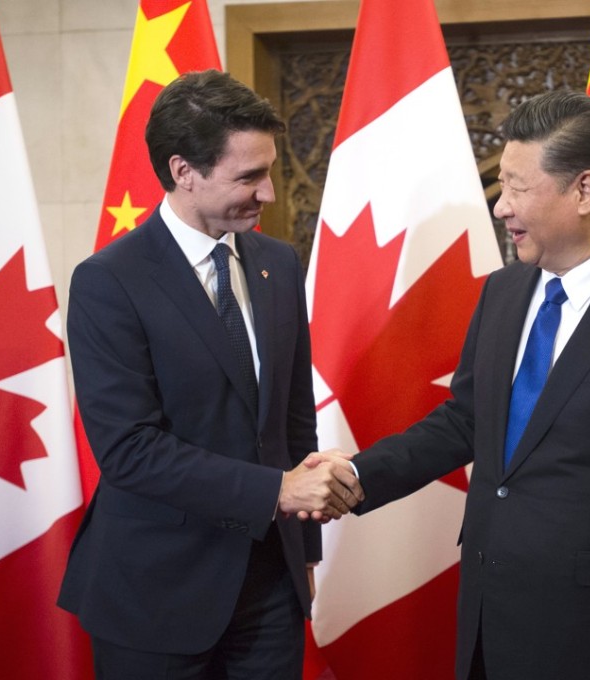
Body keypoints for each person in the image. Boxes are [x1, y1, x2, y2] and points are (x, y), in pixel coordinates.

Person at [333, 90, 590, 679]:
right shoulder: (504, 291)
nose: (501, 208)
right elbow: (468, 419)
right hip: (488, 624)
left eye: (517, 188)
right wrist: (355, 476)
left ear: (584, 190)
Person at [58, 70, 363, 680]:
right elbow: (129, 450)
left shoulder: (277, 263)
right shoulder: (108, 281)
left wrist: (304, 549)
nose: (269, 194)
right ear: (183, 171)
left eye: (269, 171)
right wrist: (275, 491)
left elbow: (291, 418)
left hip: (270, 589)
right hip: (155, 593)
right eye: (248, 177)